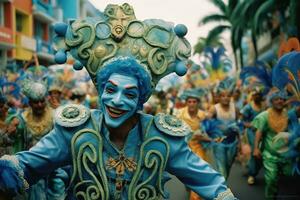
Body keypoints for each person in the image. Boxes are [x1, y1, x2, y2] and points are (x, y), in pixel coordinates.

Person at [0, 3, 236, 200]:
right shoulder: (76, 131)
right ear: (101, 91)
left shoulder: (161, 138)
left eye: (130, 94)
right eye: (110, 90)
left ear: (140, 100)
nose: (117, 100)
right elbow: (28, 165)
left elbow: (209, 182)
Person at [252, 89, 292, 200]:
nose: (280, 101)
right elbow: (258, 131)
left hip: (287, 155)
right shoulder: (264, 115)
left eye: (282, 99)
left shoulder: (289, 115)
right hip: (270, 155)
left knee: (288, 175)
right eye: (277, 99)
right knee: (271, 179)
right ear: (272, 101)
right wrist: (256, 148)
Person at [240, 87, 265, 185]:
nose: (257, 96)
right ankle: (251, 175)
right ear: (252, 96)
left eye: (259, 95)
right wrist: (251, 125)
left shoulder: (264, 106)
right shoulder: (248, 107)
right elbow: (241, 121)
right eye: (255, 95)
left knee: (262, 154)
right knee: (255, 152)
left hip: (263, 133)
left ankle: (254, 171)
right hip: (252, 133)